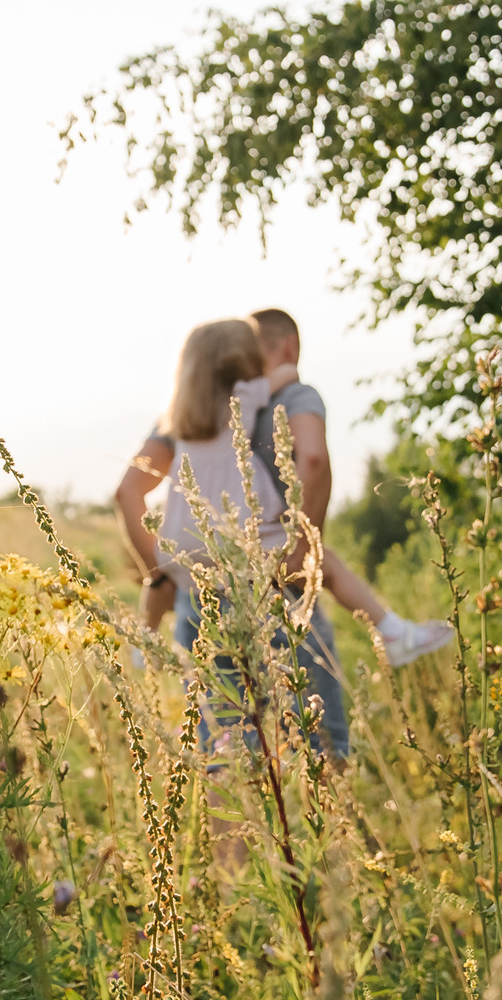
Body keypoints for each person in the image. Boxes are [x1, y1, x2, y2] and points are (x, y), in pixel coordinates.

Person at [115, 319, 351, 757]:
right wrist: (301, 550)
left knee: (228, 755)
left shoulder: (176, 420)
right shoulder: (259, 402)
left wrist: (164, 568)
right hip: (269, 586)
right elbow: (313, 457)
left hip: (198, 597)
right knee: (322, 746)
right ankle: (340, 823)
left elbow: (127, 492)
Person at [242, 306, 456, 667]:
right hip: (278, 559)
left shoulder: (236, 408)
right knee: (318, 715)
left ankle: (394, 630)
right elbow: (312, 458)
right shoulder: (297, 396)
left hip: (233, 566)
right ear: (291, 346)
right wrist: (303, 538)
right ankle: (394, 632)